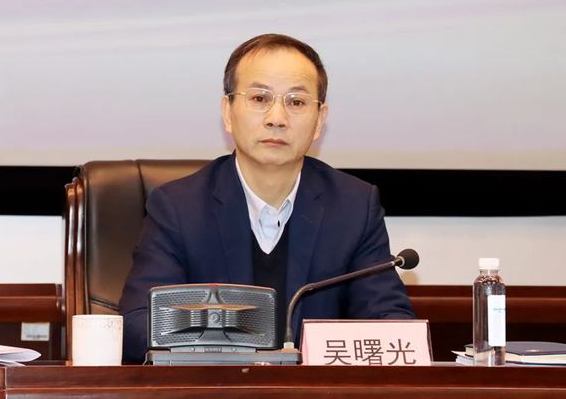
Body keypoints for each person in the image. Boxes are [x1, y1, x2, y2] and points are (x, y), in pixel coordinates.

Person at [119, 33, 415, 364]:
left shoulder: (353, 206)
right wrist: (229, 349)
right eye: (260, 98)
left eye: (296, 102)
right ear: (227, 112)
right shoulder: (178, 207)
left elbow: (389, 321)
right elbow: (138, 324)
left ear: (320, 119)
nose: (277, 118)